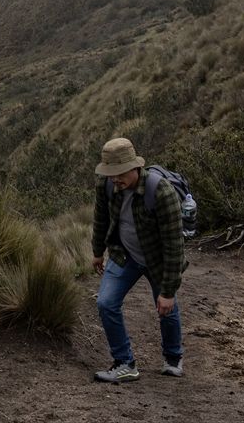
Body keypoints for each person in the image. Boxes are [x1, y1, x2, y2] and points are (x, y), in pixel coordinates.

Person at [91, 137, 187, 383]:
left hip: (159, 259)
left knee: (166, 307)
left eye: (120, 173)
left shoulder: (161, 191)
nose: (115, 179)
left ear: (135, 167)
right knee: (106, 303)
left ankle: (173, 358)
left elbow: (175, 246)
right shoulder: (106, 185)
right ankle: (124, 363)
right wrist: (97, 252)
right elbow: (100, 219)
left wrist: (167, 291)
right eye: (111, 173)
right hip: (125, 255)